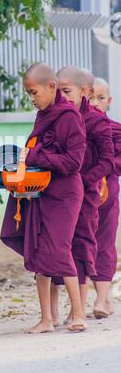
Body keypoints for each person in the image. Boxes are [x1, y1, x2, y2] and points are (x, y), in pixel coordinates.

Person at [1, 63, 87, 333]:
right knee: (38, 248)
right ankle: (47, 319)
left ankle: (79, 314)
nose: (32, 98)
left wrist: (36, 156)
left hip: (65, 194)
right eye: (28, 94)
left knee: (59, 248)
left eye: (34, 92)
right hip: (41, 191)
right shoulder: (44, 115)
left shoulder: (69, 117)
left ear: (51, 87)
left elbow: (73, 162)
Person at [51, 67, 114, 325]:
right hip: (57, 194)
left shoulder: (97, 122)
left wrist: (84, 179)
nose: (62, 97)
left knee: (83, 246)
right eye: (59, 92)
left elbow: (107, 160)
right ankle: (54, 312)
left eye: (66, 92)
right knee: (56, 246)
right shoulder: (57, 118)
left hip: (86, 194)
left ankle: (79, 308)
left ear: (84, 92)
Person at [89, 77, 121, 318]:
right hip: (81, 193)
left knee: (105, 243)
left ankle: (101, 299)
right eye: (91, 98)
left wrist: (103, 167)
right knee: (81, 243)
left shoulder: (116, 130)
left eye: (101, 98)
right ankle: (92, 299)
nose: (95, 103)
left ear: (109, 101)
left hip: (107, 192)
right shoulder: (76, 127)